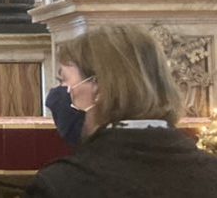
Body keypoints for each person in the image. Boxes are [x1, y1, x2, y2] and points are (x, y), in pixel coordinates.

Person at [25, 25, 217, 198]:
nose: (60, 92)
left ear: (98, 89)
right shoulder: (210, 173)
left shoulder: (60, 184)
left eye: (64, 81)